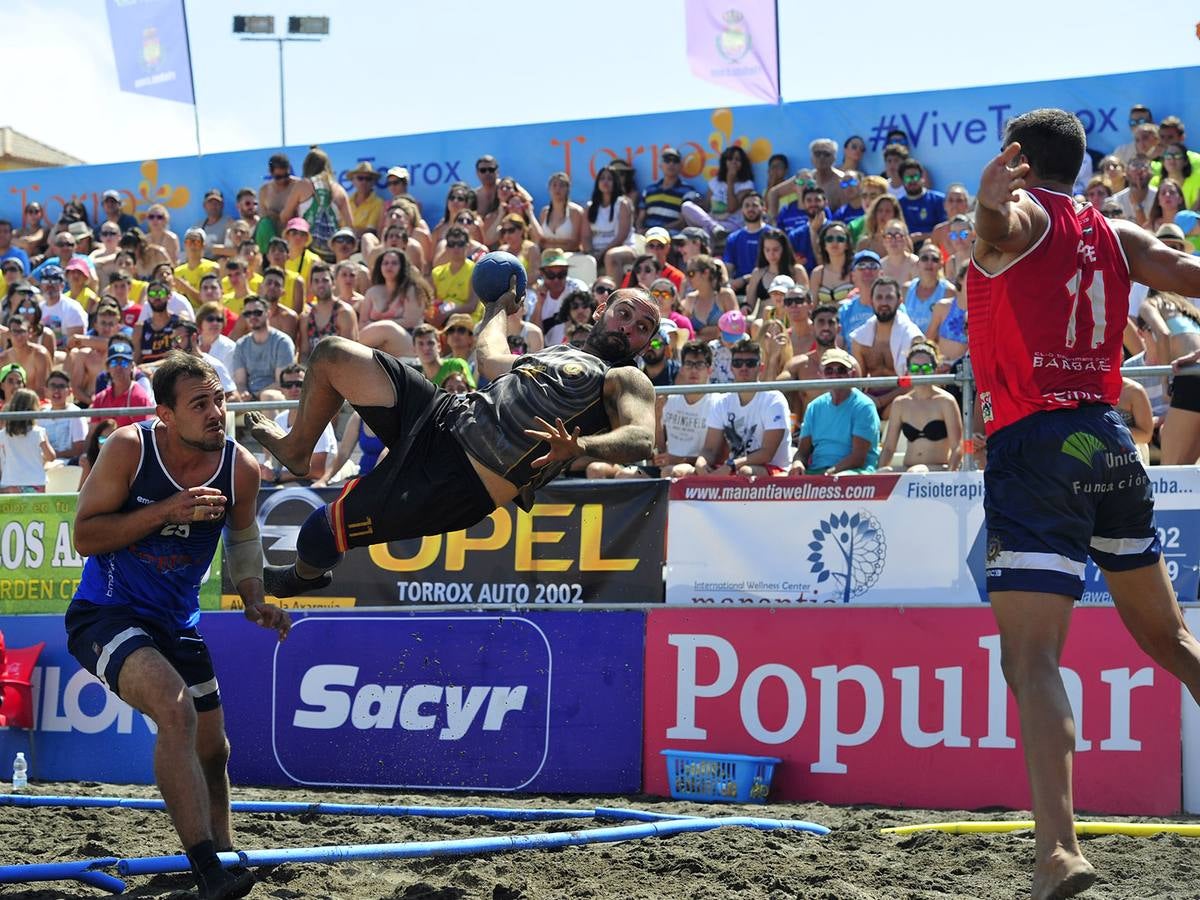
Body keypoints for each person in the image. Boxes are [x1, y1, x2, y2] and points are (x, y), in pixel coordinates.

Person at [966, 108, 1200, 900]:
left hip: (1038, 447)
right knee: (1170, 639)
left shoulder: (1023, 214)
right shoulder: (1117, 235)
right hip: (1109, 439)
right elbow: (1185, 271)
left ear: (1022, 160)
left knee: (1031, 659)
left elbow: (1002, 224)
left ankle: (1059, 854)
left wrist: (990, 202)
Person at [244, 285, 659, 597]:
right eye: (624, 314)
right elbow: (491, 358)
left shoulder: (625, 377)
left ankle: (303, 577)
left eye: (642, 328)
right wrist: (497, 308)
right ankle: (298, 450)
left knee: (318, 532)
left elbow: (641, 438)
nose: (629, 330)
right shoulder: (556, 352)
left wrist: (581, 448)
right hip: (442, 414)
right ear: (603, 310)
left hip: (462, 480)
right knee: (332, 353)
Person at [66, 352, 295, 900]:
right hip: (107, 612)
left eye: (219, 399)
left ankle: (221, 852)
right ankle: (207, 871)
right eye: (201, 404)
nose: (217, 412)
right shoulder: (129, 447)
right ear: (165, 414)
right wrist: (165, 511)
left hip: (176, 622)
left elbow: (242, 542)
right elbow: (84, 536)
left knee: (214, 750)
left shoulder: (241, 467)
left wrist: (253, 595)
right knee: (176, 710)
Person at [691, 338, 791, 477]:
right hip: (734, 467)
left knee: (745, 472)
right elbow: (709, 450)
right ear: (731, 367)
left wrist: (732, 465)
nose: (743, 368)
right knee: (681, 472)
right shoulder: (722, 402)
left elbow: (767, 454)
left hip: (773, 469)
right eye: (738, 363)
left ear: (760, 367)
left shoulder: (774, 399)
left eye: (750, 363)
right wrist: (700, 464)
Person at [792, 348, 880, 475]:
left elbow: (858, 458)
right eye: (829, 370)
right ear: (820, 374)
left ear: (852, 374)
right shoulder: (814, 407)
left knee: (840, 478)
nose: (835, 375)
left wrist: (830, 473)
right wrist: (797, 463)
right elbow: (802, 452)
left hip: (853, 474)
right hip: (820, 473)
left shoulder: (864, 406)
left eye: (841, 370)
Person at [877, 340, 962, 471]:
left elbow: (957, 446)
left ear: (935, 369)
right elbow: (888, 448)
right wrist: (879, 473)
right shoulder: (900, 403)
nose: (920, 373)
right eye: (915, 368)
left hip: (937, 472)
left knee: (916, 470)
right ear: (908, 370)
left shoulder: (946, 402)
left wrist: (950, 477)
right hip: (908, 470)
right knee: (883, 473)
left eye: (926, 368)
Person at [849, 276, 925, 416]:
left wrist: (881, 401)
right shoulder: (859, 339)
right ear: (871, 302)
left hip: (904, 399)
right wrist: (869, 402)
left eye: (889, 297)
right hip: (869, 400)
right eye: (879, 297)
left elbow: (914, 382)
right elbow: (858, 382)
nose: (884, 302)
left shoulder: (913, 338)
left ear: (899, 301)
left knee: (901, 406)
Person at [260, 363, 335, 486]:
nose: (294, 389)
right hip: (290, 481)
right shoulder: (279, 419)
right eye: (288, 385)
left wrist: (277, 476)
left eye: (300, 384)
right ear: (282, 390)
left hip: (316, 485)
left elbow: (318, 471)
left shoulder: (319, 419)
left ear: (309, 386)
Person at [654, 339, 718, 477]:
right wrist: (657, 415)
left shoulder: (717, 403)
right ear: (682, 368)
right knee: (624, 475)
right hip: (667, 467)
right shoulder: (670, 399)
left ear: (709, 370)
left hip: (697, 470)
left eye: (699, 364)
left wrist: (677, 460)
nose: (694, 370)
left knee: (671, 472)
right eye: (689, 364)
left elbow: (715, 455)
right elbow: (660, 449)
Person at [231, 296, 296, 401]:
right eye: (248, 314)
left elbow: (282, 382)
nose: (252, 316)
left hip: (276, 396)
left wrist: (256, 395)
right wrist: (244, 393)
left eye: (257, 312)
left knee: (267, 396)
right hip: (250, 397)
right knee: (230, 401)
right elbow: (240, 382)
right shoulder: (241, 344)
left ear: (268, 313)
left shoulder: (282, 342)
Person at [0, 388, 54, 492]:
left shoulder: (3, 434)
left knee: (15, 509)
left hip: (11, 483)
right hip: (36, 482)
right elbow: (51, 456)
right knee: (37, 509)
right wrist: (41, 458)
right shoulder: (39, 432)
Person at [39, 369, 87, 463]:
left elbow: (79, 449)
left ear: (69, 392)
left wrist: (52, 455)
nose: (57, 390)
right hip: (41, 464)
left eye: (61, 386)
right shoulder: (41, 413)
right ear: (46, 390)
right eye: (53, 386)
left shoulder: (76, 413)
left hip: (67, 464)